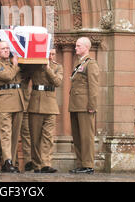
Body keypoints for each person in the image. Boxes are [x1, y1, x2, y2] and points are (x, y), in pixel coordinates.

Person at [0, 41, 25, 173]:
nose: (6, 50)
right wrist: (16, 65)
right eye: (3, 49)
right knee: (5, 133)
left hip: (17, 100)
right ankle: (7, 161)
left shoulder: (12, 63)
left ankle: (12, 160)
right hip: (5, 101)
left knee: (15, 135)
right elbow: (8, 76)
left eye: (7, 48)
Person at [28, 48, 63, 173]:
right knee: (35, 136)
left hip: (50, 103)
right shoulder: (35, 65)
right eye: (49, 53)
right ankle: (37, 164)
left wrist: (48, 68)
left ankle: (46, 164)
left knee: (48, 136)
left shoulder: (57, 67)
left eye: (53, 54)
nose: (51, 56)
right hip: (35, 103)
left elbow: (57, 82)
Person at [69, 37, 99, 174]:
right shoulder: (79, 63)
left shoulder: (90, 64)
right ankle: (81, 163)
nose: (76, 48)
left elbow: (93, 86)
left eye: (78, 46)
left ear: (86, 47)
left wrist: (92, 105)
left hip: (85, 106)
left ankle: (88, 165)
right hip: (76, 105)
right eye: (76, 46)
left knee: (86, 136)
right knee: (78, 136)